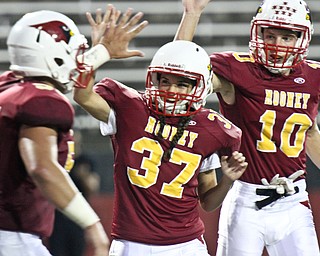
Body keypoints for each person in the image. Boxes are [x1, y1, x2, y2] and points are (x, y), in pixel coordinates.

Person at [73, 5, 248, 256]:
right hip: (131, 244)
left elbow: (208, 202)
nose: (171, 90)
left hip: (186, 245)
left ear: (200, 88)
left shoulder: (212, 129)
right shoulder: (131, 110)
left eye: (181, 84)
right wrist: (100, 52)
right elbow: (82, 94)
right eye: (165, 81)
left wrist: (228, 181)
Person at [174, 0, 320, 255]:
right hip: (246, 199)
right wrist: (192, 14)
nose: (277, 45)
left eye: (286, 37)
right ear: (257, 32)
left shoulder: (313, 77)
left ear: (302, 38)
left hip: (294, 200)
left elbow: (309, 134)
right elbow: (179, 73)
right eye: (270, 34)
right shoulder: (238, 69)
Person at [0, 10, 109, 256]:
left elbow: (53, 70)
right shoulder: (43, 102)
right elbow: (43, 169)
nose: (79, 61)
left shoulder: (9, 84)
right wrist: (92, 224)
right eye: (73, 54)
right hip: (12, 237)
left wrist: (104, 51)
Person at [49, 155, 101, 256]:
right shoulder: (57, 157)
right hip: (58, 220)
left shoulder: (85, 160)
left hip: (78, 221)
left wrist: (84, 176)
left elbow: (93, 186)